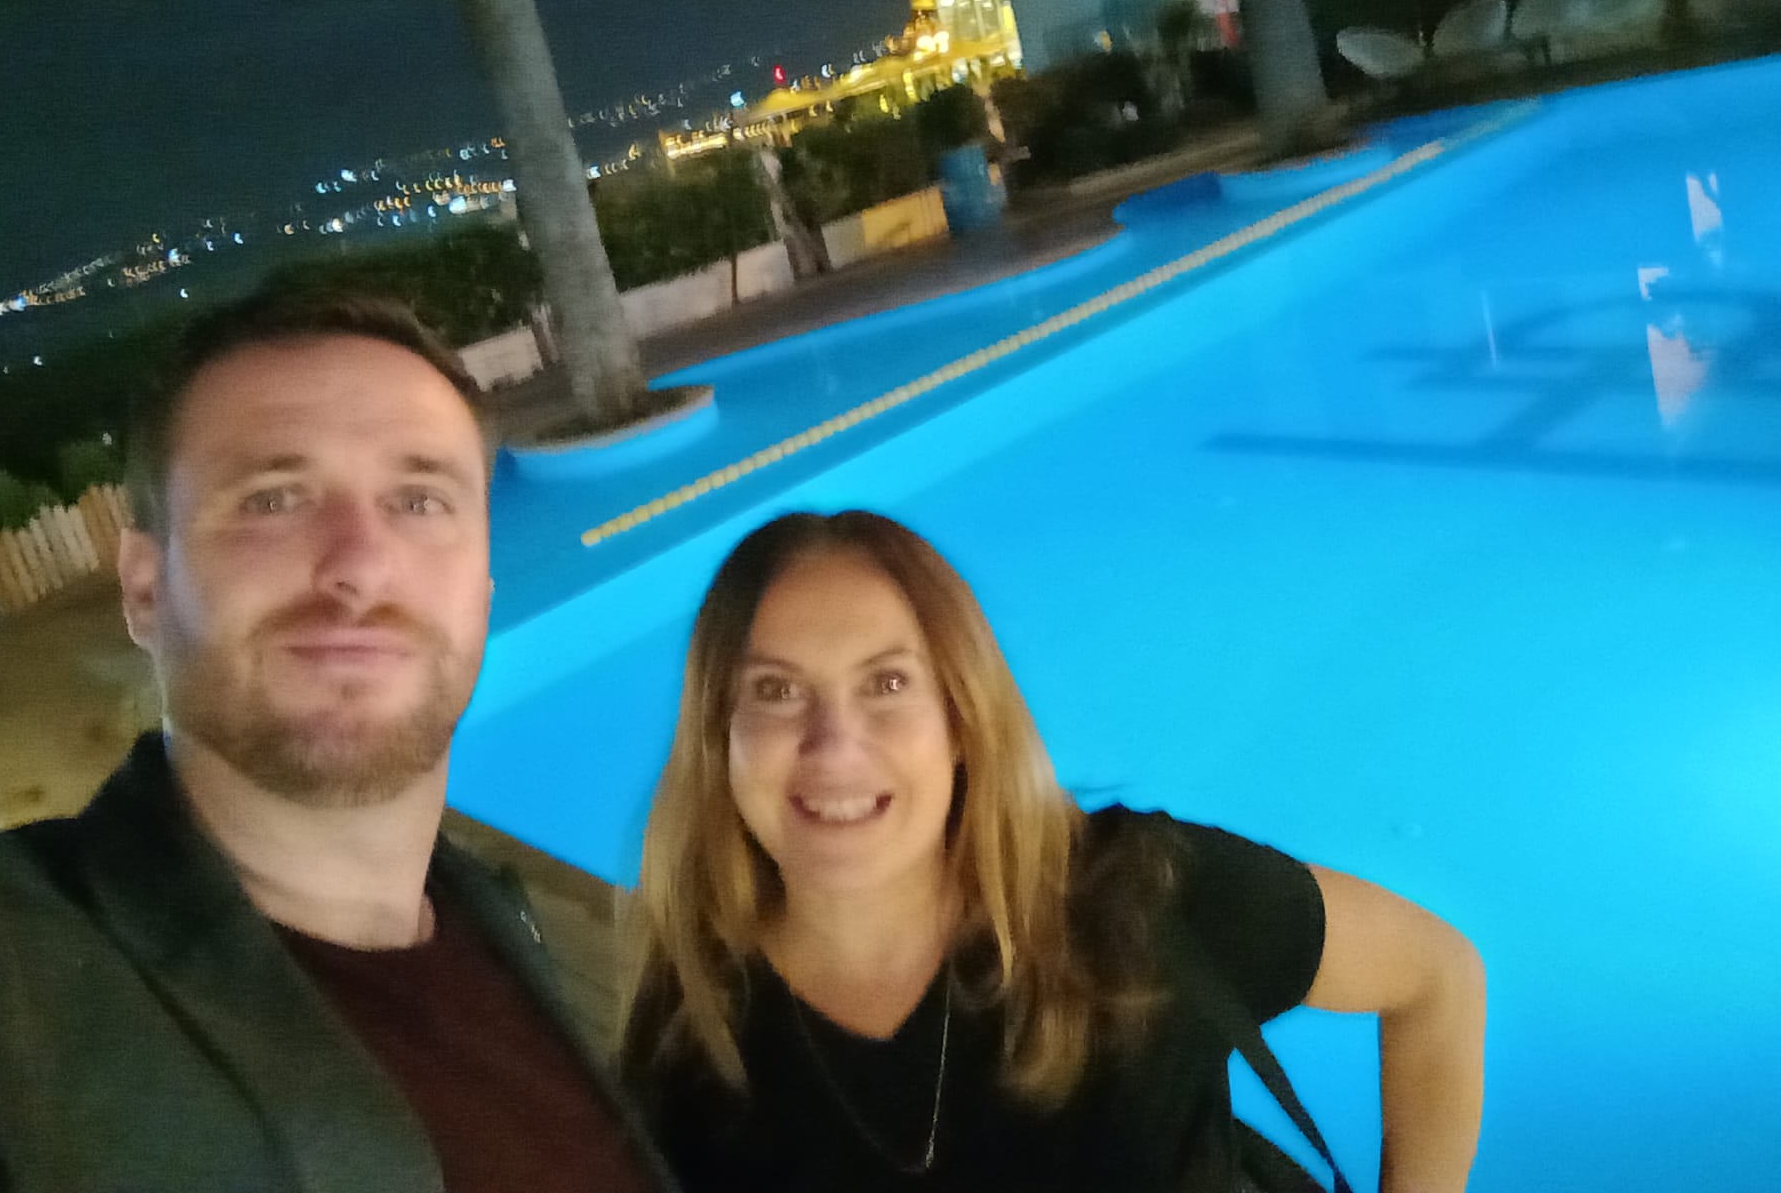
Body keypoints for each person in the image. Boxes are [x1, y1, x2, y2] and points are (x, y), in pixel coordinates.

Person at [0, 289, 676, 1193]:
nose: (360, 562)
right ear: (145, 590)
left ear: (479, 595)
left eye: (419, 499)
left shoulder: (495, 918)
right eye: (273, 499)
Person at [620, 510, 1485, 1192]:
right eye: (774, 692)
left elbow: (1436, 974)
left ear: (961, 721)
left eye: (887, 683)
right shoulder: (689, 1035)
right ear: (716, 739)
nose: (833, 747)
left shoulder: (1142, 898)